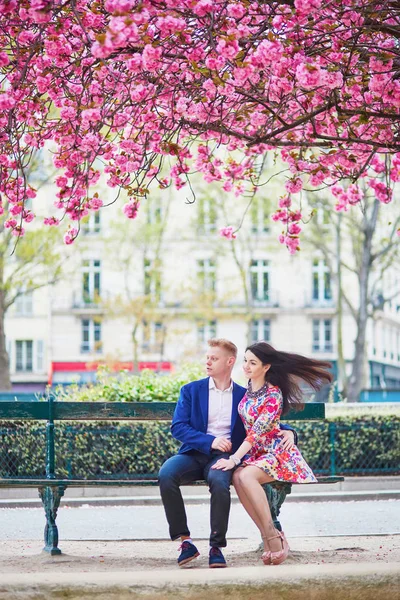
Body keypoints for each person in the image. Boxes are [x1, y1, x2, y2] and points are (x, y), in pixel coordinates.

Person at [158, 338, 297, 568]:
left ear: (229, 362)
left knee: (221, 481)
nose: (208, 362)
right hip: (194, 453)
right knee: (166, 474)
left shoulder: (245, 395)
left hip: (225, 458)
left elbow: (266, 418)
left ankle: (216, 547)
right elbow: (178, 427)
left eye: (214, 358)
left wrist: (289, 431)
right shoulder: (191, 390)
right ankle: (185, 542)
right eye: (207, 358)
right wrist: (211, 441)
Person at [212, 341, 333, 566]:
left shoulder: (273, 394)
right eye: (245, 361)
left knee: (245, 475)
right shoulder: (247, 388)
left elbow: (258, 431)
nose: (246, 366)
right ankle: (269, 538)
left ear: (266, 367)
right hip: (256, 455)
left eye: (253, 362)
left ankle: (273, 536)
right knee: (238, 477)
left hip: (277, 454)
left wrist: (234, 458)